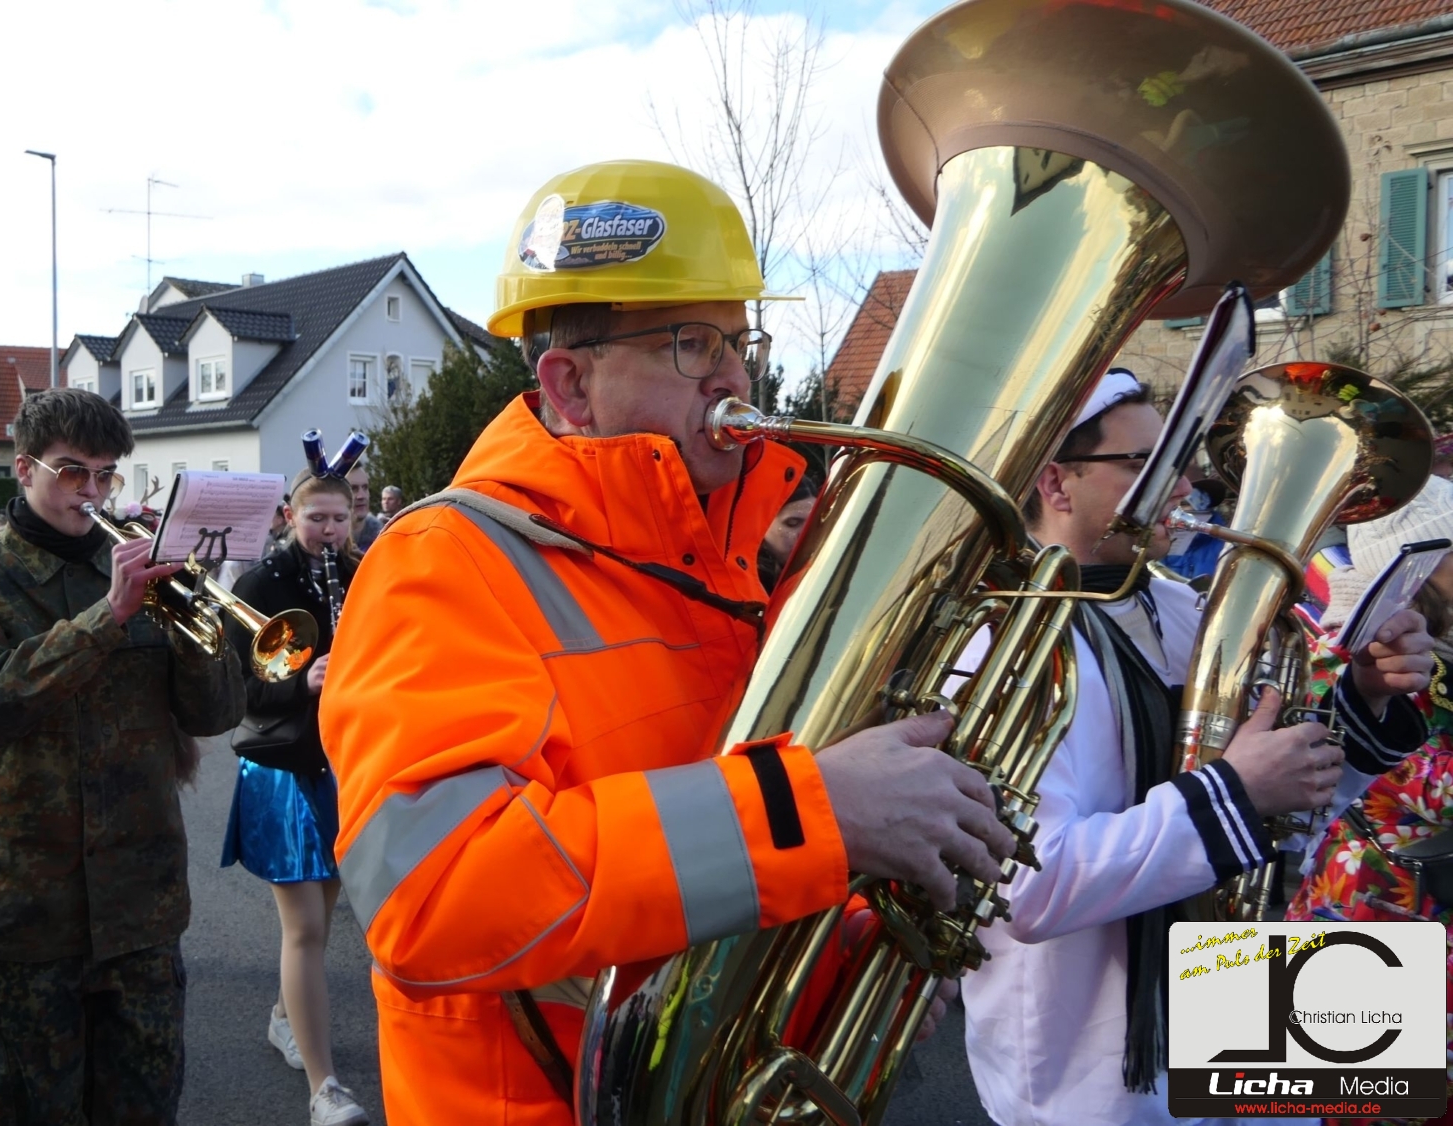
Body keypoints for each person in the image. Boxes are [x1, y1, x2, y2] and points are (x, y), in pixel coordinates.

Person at [320, 160, 1014, 1125]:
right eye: (691, 343)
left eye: (741, 340)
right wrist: (817, 809)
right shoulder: (442, 560)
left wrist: (845, 946)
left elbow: (719, 851)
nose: (736, 377)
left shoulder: (727, 565)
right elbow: (437, 896)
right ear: (570, 384)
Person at [956, 369, 1433, 1126]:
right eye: (1147, 465)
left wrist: (1366, 696)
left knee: (1398, 1080)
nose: (1184, 487)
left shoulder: (1181, 605)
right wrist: (1235, 794)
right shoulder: (994, 645)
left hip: (1238, 989)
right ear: (1056, 482)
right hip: (1099, 1064)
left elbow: (1283, 822)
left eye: (1182, 461)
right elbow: (1025, 890)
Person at [0, 388, 244, 1126]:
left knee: (145, 1107)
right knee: (29, 1111)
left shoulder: (140, 562)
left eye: (106, 475)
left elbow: (216, 714)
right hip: (23, 909)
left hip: (140, 904)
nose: (92, 492)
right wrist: (108, 617)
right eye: (72, 471)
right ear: (24, 468)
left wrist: (197, 613)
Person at [1289, 477, 1453, 1126]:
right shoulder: (1352, 649)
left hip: (1413, 924)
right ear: (1417, 565)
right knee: (1347, 1107)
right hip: (1364, 925)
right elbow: (1429, 785)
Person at [223, 469, 368, 1126]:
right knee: (306, 927)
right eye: (318, 519)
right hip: (283, 766)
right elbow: (237, 688)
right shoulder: (259, 585)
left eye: (340, 519)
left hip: (345, 762)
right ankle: (324, 1087)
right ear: (290, 516)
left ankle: (286, 1015)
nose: (330, 531)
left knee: (325, 912)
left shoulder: (360, 573)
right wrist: (301, 682)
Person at [756, 477, 818, 593]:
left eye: (814, 523)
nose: (807, 533)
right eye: (793, 523)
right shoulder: (749, 587)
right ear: (760, 528)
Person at [343, 463, 380, 552]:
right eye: (353, 489)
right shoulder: (324, 549)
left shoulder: (382, 542)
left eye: (365, 487)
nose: (361, 496)